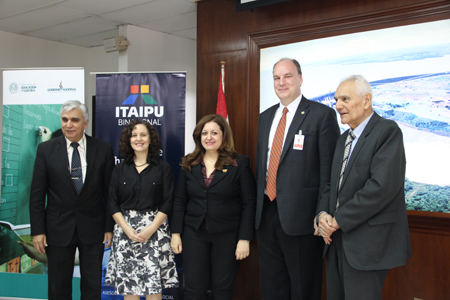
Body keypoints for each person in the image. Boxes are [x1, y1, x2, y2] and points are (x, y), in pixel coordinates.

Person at [315, 75, 412, 300]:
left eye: (345, 99)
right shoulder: (342, 140)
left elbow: (381, 188)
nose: (338, 105)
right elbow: (332, 184)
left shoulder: (387, 132)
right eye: (336, 99)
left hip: (367, 247)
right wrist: (322, 215)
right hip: (336, 243)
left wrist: (338, 221)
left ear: (366, 100)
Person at [255, 58, 340, 300]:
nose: (282, 82)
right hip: (267, 216)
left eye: (288, 76)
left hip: (303, 221)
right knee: (271, 287)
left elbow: (329, 174)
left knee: (303, 289)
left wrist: (322, 212)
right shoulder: (265, 118)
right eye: (276, 78)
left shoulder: (321, 116)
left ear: (300, 79)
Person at [29, 100, 114, 300]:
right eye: (65, 119)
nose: (69, 124)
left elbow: (109, 192)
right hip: (57, 230)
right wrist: (38, 231)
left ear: (85, 123)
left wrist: (109, 227)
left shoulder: (103, 149)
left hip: (94, 229)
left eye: (75, 120)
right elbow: (37, 194)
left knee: (93, 287)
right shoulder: (46, 150)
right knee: (58, 288)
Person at [171, 114, 256, 300]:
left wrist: (244, 238)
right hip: (194, 233)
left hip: (228, 235)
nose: (209, 137)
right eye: (204, 133)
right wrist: (175, 233)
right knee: (193, 288)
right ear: (199, 137)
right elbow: (179, 201)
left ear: (224, 136)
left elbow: (249, 203)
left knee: (222, 289)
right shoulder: (189, 163)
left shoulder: (239, 163)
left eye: (214, 133)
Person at [104, 119, 179, 300]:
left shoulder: (163, 168)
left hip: (155, 231)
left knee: (154, 288)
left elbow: (168, 201)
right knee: (131, 290)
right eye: (134, 135)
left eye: (143, 135)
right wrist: (127, 229)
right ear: (128, 140)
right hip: (125, 231)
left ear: (151, 139)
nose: (139, 139)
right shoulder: (119, 169)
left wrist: (151, 228)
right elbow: (112, 202)